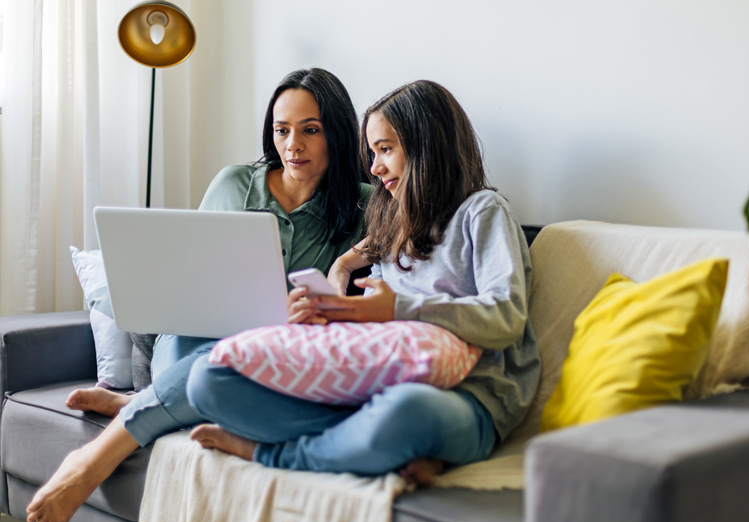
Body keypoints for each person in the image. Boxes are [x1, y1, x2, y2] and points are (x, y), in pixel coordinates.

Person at [26, 67, 372, 522]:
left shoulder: (366, 208)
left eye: (311, 130)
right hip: (192, 338)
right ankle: (140, 407)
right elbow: (189, 270)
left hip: (271, 359)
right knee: (204, 363)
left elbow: (389, 273)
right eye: (282, 130)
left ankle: (107, 441)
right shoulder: (233, 184)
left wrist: (340, 272)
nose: (294, 145)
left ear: (338, 134)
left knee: (222, 370)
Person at [185, 80, 541, 486]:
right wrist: (327, 312)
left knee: (407, 412)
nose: (374, 168)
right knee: (209, 379)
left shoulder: (483, 212)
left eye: (385, 150)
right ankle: (380, 447)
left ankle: (274, 452)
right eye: (372, 154)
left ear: (427, 145)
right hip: (376, 389)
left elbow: (507, 317)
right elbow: (376, 340)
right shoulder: (391, 224)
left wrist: (398, 309)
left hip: (467, 398)